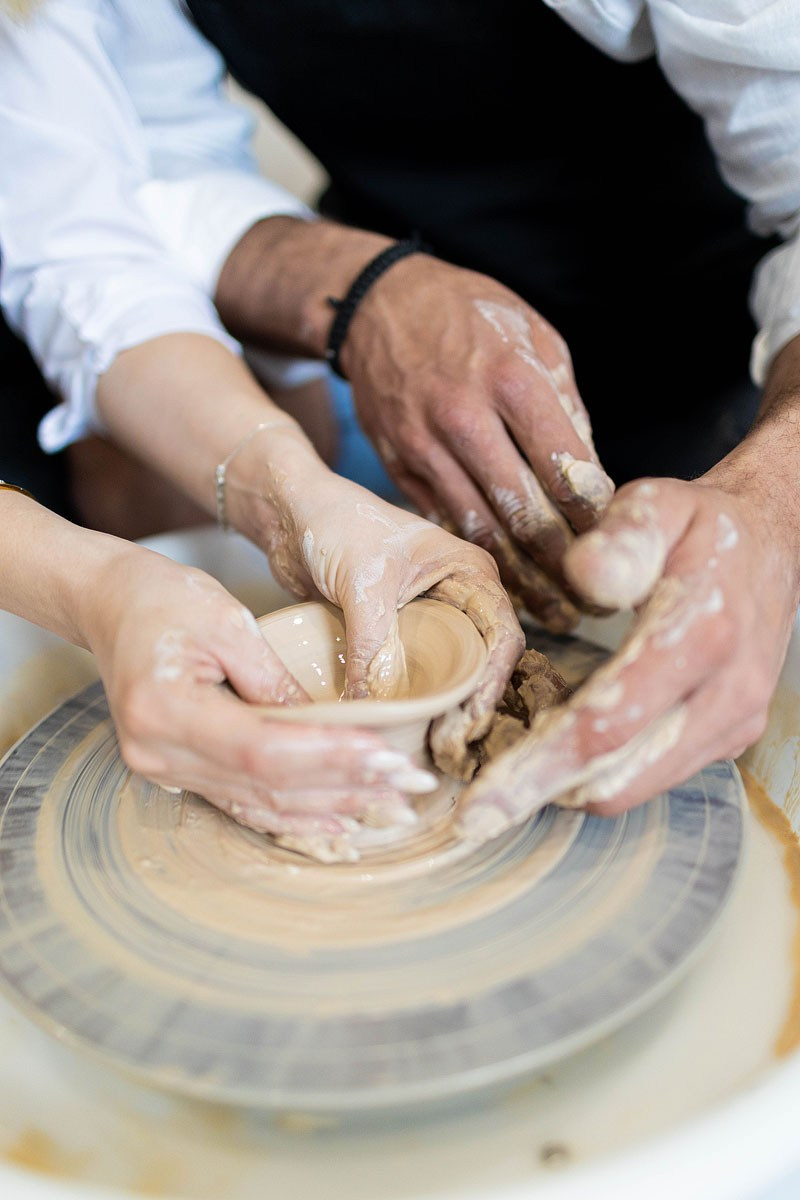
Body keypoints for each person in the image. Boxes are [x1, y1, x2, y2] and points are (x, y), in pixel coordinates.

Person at [1, 0, 799, 842]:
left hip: (724, 320)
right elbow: (93, 216)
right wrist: (280, 487)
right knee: (123, 468)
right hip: (385, 261)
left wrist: (772, 500)